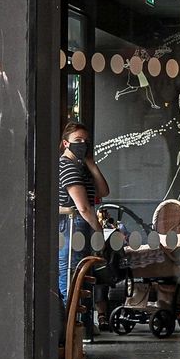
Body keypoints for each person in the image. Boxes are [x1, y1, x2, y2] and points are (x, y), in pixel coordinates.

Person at [57, 121, 109, 299]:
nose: (82, 144)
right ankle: (71, 324)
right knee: (74, 277)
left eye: (86, 141)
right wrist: (98, 231)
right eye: (77, 140)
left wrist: (92, 165)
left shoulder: (81, 167)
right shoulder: (67, 166)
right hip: (74, 224)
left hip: (80, 223)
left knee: (82, 277)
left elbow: (103, 191)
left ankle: (81, 325)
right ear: (66, 143)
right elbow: (84, 207)